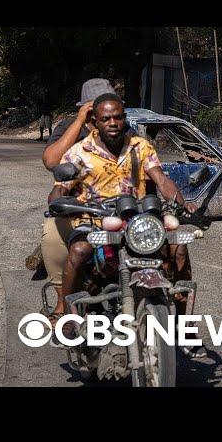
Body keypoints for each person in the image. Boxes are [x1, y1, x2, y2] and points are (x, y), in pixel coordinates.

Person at [47, 93, 198, 334]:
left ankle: (184, 327)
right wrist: (58, 202)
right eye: (106, 119)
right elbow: (59, 189)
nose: (113, 123)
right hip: (94, 221)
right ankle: (69, 316)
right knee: (78, 250)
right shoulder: (80, 152)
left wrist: (182, 203)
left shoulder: (141, 147)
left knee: (178, 246)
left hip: (138, 222)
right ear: (95, 122)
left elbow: (161, 179)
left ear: (124, 118)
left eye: (117, 117)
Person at [40, 79, 117, 322]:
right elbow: (52, 161)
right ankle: (63, 301)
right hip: (77, 207)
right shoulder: (70, 127)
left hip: (116, 208)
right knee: (52, 235)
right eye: (96, 109)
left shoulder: (122, 130)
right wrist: (79, 121)